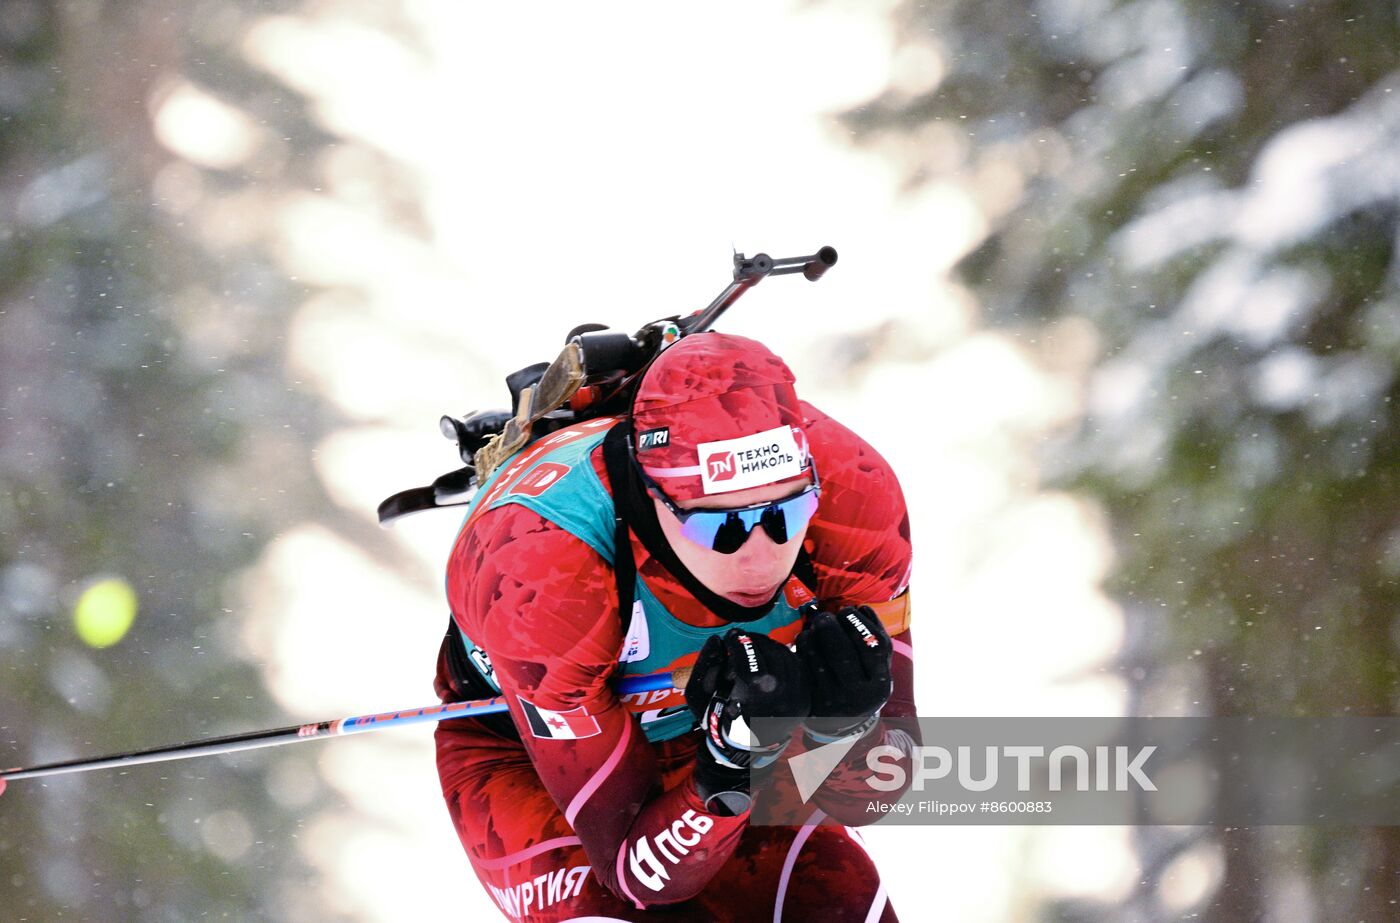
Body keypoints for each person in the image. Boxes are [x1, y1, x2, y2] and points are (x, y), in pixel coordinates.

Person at [433, 332, 916, 921]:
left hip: (740, 718)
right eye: (721, 529)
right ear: (653, 496)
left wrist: (848, 726)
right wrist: (730, 767)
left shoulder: (855, 493)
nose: (761, 557)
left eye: (787, 513)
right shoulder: (542, 573)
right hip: (537, 762)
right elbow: (640, 881)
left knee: (838, 898)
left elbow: (878, 796)